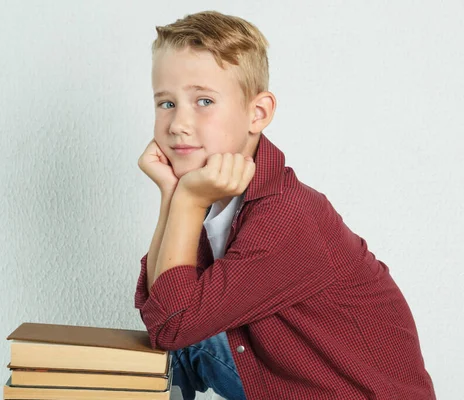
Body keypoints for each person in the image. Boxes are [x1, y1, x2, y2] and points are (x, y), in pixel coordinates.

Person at [134, 10, 435, 400]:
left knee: (183, 341)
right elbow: (159, 308)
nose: (177, 124)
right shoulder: (216, 195)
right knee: (180, 352)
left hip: (352, 393)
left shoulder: (286, 213)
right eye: (166, 104)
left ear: (257, 114)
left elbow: (171, 323)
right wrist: (173, 195)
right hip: (292, 382)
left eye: (203, 100)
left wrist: (187, 200)